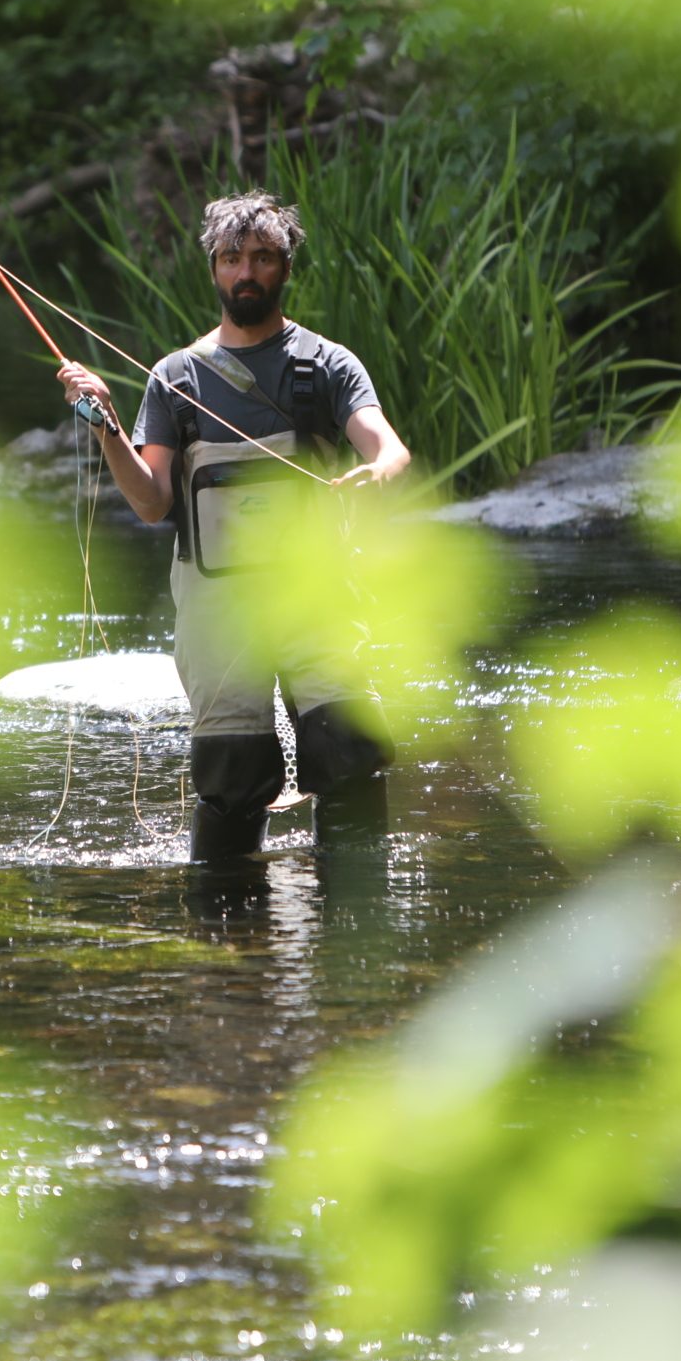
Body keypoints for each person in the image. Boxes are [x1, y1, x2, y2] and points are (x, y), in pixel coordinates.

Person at [57, 190, 411, 861]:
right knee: (233, 775)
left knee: (351, 753)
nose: (245, 271)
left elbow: (387, 446)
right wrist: (106, 424)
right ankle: (226, 954)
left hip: (318, 598)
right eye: (231, 258)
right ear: (214, 269)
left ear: (285, 266)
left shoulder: (328, 364)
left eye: (261, 258)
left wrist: (382, 470)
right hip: (217, 611)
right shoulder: (173, 377)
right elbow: (152, 502)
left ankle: (361, 937)